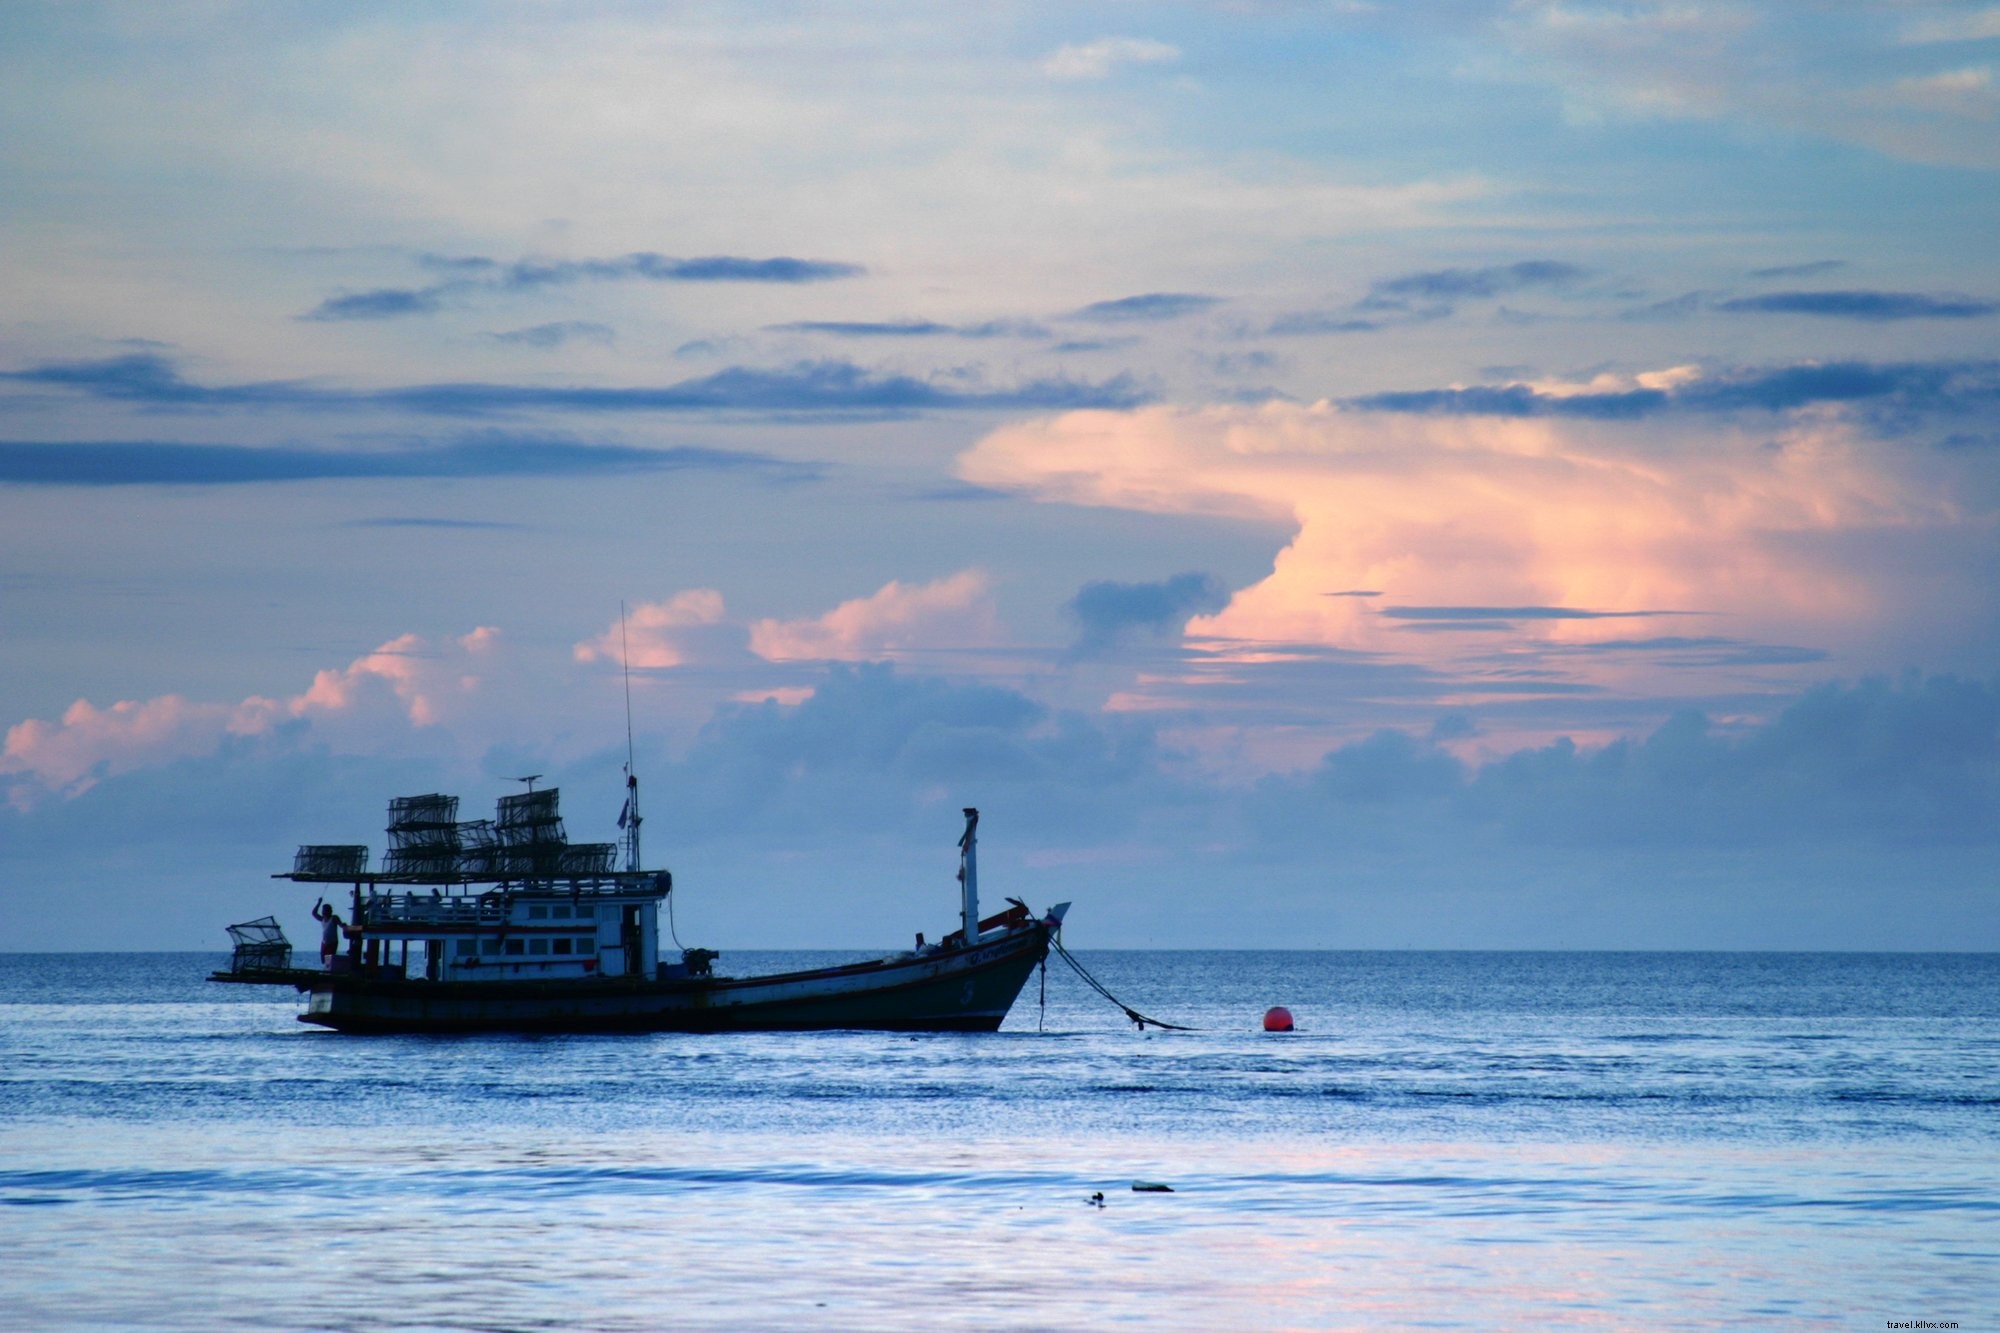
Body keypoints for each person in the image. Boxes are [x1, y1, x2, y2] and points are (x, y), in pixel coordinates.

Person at [312, 899, 343, 965]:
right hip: (324, 942)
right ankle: (326, 969)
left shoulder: (334, 918)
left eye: (324, 910)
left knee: (329, 961)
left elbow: (340, 924)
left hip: (332, 943)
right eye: (322, 910)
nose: (322, 912)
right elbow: (314, 913)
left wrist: (343, 925)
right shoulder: (322, 919)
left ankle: (329, 970)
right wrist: (319, 903)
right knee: (323, 960)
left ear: (329, 911)